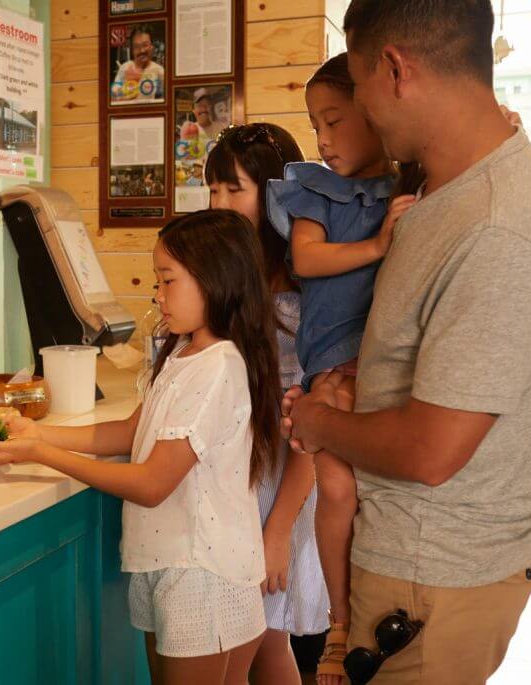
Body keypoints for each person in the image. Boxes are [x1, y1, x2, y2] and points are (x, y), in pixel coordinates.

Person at [283, 2, 531, 683]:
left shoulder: (498, 226)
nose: (358, 108)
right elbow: (429, 347)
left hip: (431, 579)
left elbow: (432, 449)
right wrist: (353, 374)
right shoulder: (439, 197)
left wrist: (321, 419)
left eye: (356, 85)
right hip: (408, 565)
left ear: (394, 69)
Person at [0, 209, 282, 685]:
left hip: (201, 574)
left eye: (168, 281)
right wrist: (35, 434)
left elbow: (153, 482)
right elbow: (136, 430)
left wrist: (43, 456)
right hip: (171, 563)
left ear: (216, 279)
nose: (157, 295)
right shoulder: (184, 352)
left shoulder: (218, 367)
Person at [264, 54, 418, 684]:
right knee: (335, 490)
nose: (321, 138)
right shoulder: (314, 191)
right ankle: (338, 621)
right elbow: (307, 260)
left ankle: (365, 611)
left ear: (377, 115)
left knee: (385, 496)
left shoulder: (412, 184)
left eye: (334, 121)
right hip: (330, 366)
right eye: (313, 123)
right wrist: (379, 244)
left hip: (387, 370)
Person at [206, 122, 330, 685]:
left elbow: (313, 426)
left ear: (275, 193)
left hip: (282, 488)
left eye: (235, 189)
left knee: (266, 638)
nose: (220, 204)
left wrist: (278, 529)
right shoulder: (223, 276)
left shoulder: (306, 288)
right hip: (231, 489)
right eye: (213, 190)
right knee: (248, 639)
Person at [111, 25, 165, 104]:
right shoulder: (125, 68)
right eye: (137, 46)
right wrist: (127, 86)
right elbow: (113, 98)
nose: (142, 50)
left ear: (151, 46)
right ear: (132, 50)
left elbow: (162, 100)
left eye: (145, 45)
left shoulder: (159, 71)